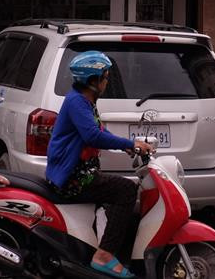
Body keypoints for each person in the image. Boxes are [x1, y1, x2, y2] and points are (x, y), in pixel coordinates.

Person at [45, 50, 154, 278]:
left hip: (80, 172)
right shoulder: (77, 102)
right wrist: (130, 143)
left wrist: (127, 146)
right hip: (73, 177)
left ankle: (109, 249)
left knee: (117, 192)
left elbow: (99, 130)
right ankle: (104, 256)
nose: (106, 82)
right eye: (104, 78)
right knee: (126, 190)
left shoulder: (84, 100)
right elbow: (92, 136)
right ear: (92, 81)